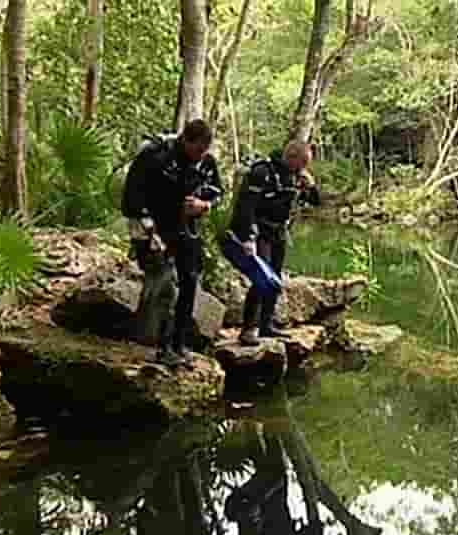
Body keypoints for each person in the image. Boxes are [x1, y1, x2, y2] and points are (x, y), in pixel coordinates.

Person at [122, 119, 222, 368]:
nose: (201, 155)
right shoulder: (155, 156)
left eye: (205, 151)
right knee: (165, 286)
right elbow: (131, 197)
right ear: (186, 140)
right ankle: (160, 346)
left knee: (189, 282)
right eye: (198, 149)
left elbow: (216, 191)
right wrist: (147, 231)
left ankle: (180, 343)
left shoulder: (206, 162)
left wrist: (204, 205)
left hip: (186, 230)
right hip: (153, 230)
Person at [228, 141, 320, 346]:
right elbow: (245, 207)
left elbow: (315, 202)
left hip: (279, 232)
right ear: (292, 156)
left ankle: (266, 324)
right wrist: (248, 237)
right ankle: (248, 329)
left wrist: (311, 186)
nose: (304, 167)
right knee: (262, 278)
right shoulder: (262, 171)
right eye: (303, 162)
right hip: (260, 231)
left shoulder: (296, 176)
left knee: (275, 278)